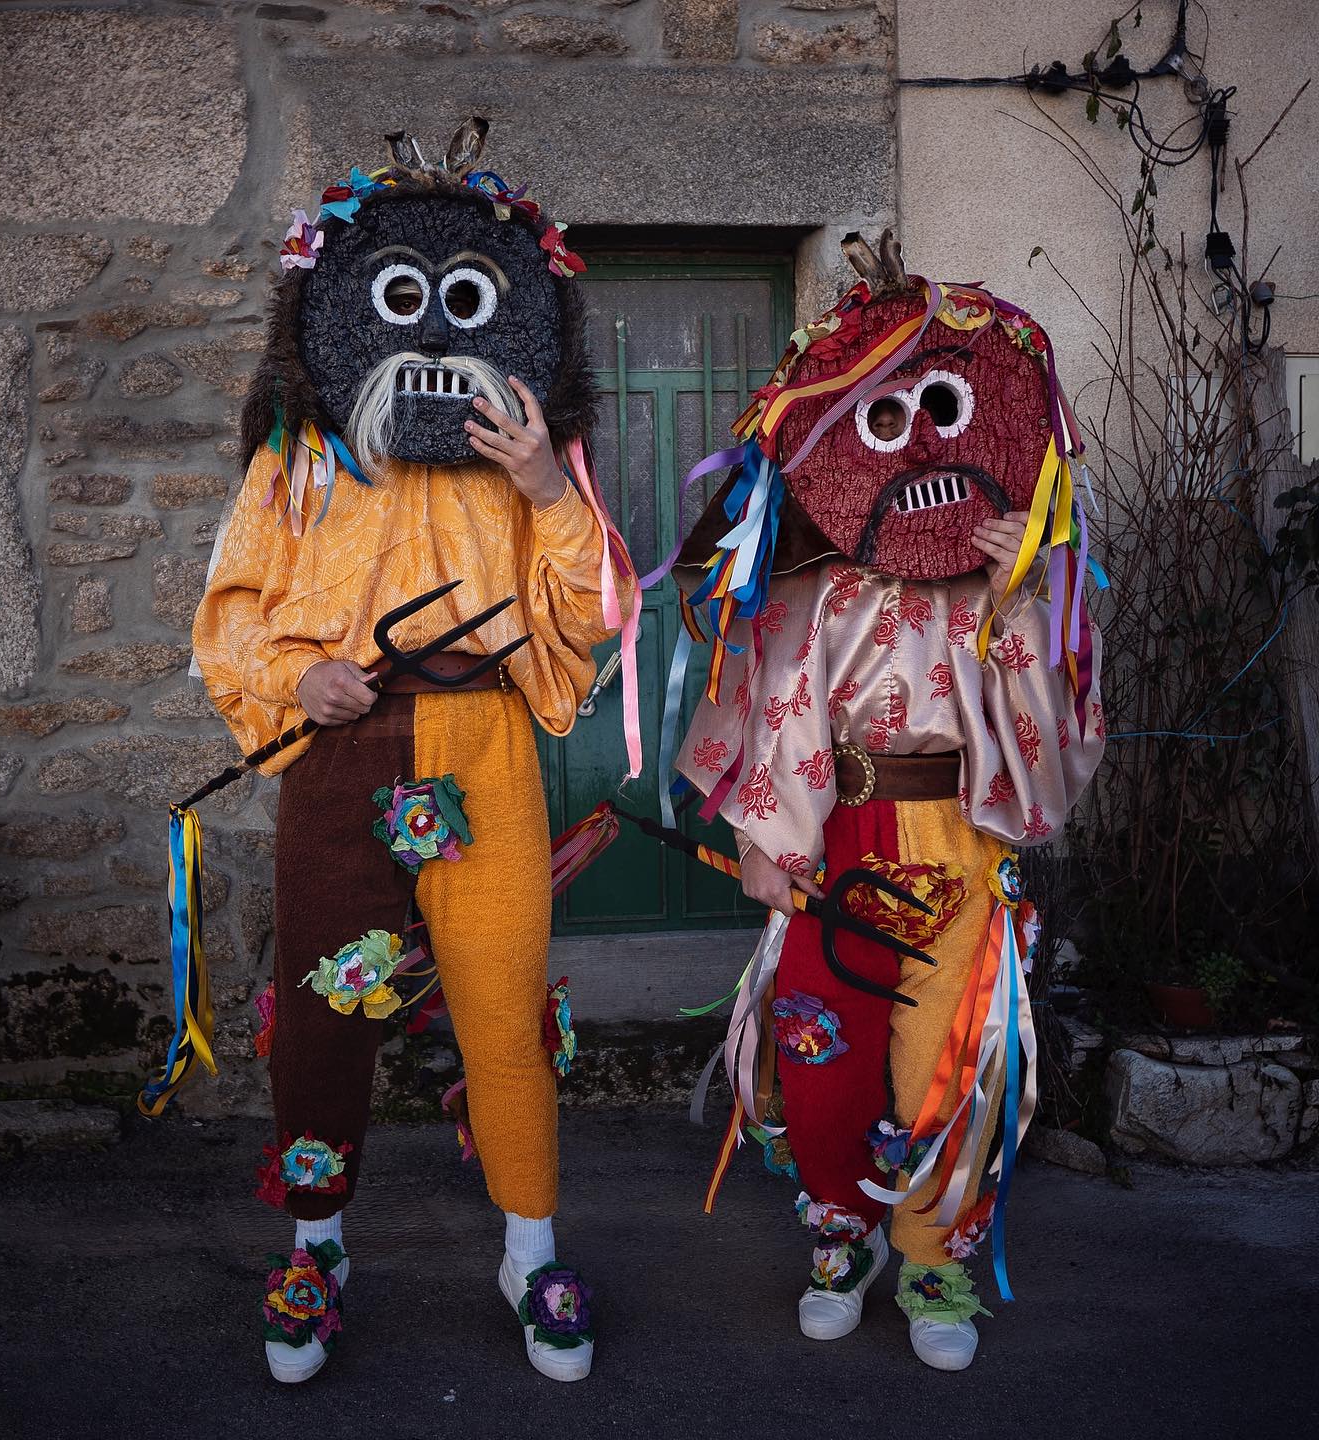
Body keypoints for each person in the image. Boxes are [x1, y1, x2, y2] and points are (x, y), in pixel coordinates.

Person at [191, 118, 632, 1384]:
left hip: (486, 747)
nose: (434, 339)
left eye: (463, 307)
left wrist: (547, 488)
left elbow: (593, 611)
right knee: (326, 1011)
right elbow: (228, 618)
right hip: (342, 756)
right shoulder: (297, 467)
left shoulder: (528, 465)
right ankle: (316, 1250)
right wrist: (299, 677)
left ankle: (530, 1250)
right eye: (402, 304)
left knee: (502, 1003)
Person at [671, 231, 1105, 1371]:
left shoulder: (1009, 579)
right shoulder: (812, 583)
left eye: (940, 412)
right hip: (835, 834)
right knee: (822, 1051)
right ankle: (839, 1236)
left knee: (943, 1060)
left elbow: (1055, 721)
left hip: (959, 838)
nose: (916, 443)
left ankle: (932, 1256)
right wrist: (765, 840)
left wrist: (1021, 595)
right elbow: (771, 707)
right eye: (884, 418)